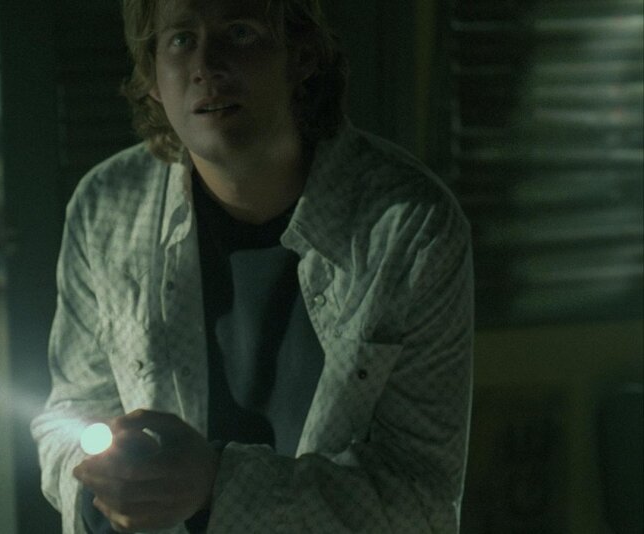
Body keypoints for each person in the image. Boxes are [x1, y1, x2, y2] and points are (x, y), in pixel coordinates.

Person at [31, 0, 474, 532]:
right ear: (152, 77)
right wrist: (98, 493)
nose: (206, 66)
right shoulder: (108, 207)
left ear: (301, 54)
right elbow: (70, 415)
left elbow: (425, 500)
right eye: (180, 39)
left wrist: (216, 485)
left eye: (239, 32)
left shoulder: (408, 228)